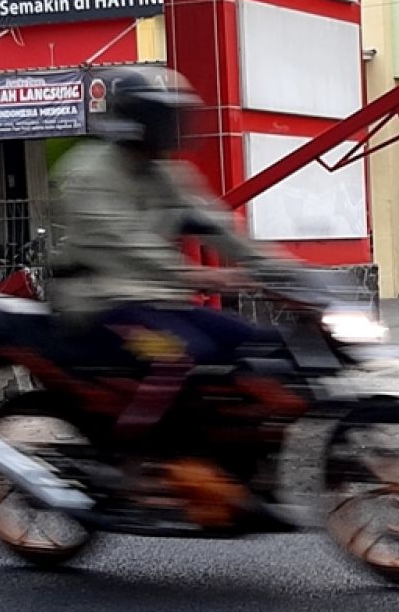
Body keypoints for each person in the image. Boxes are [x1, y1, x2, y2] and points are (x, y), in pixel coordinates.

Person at [48, 68, 322, 523]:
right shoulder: (86, 173)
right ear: (140, 119)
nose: (175, 128)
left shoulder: (168, 174)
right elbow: (127, 246)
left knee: (261, 346)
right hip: (101, 301)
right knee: (178, 356)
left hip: (161, 301)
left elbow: (220, 228)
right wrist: (200, 276)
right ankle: (127, 463)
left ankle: (238, 463)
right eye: (165, 118)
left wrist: (290, 273)